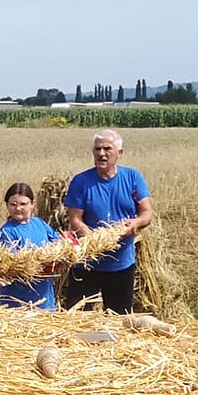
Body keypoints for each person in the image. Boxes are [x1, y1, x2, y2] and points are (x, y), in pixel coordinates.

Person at [61, 131, 153, 313]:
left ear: (120, 152)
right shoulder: (81, 182)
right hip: (87, 263)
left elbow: (147, 212)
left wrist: (135, 223)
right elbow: (75, 218)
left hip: (121, 264)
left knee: (118, 317)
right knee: (78, 317)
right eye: (97, 149)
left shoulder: (133, 177)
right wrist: (93, 239)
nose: (101, 153)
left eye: (107, 149)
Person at [0, 181, 60, 310]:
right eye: (13, 204)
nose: (18, 208)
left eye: (23, 204)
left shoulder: (39, 224)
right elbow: (12, 267)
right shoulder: (6, 232)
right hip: (18, 302)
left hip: (45, 298)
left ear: (32, 204)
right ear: (7, 205)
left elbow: (58, 244)